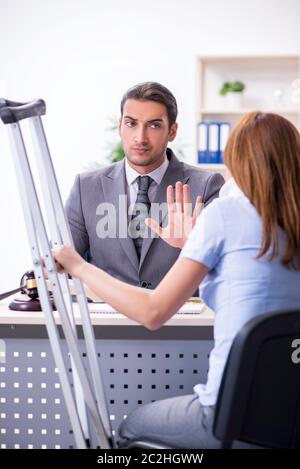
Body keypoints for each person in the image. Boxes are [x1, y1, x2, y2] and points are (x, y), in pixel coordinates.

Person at [54, 111, 300, 448]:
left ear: (239, 163)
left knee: (130, 427)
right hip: (291, 415)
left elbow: (153, 313)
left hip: (229, 416)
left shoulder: (226, 214)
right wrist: (192, 245)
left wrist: (78, 266)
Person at [65, 82, 224, 290]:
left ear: (172, 131)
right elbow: (62, 261)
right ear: (120, 126)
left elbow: (225, 269)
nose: (140, 137)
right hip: (105, 317)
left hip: (179, 317)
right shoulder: (85, 187)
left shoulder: (207, 186)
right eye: (131, 123)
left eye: (154, 125)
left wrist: (192, 246)